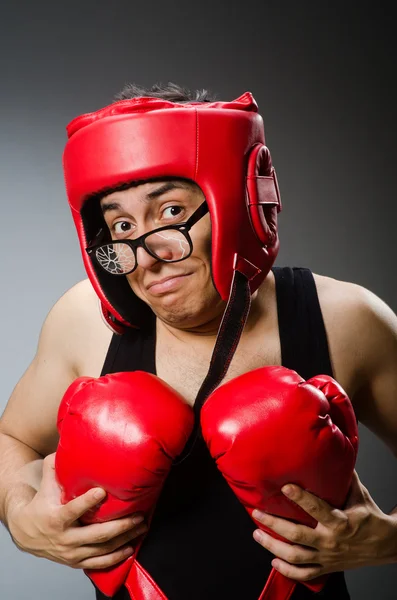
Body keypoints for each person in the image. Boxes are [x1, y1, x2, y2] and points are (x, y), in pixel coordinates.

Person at [0, 82, 396, 600]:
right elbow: (12, 440)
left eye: (169, 212)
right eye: (121, 225)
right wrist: (18, 512)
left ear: (239, 206)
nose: (148, 255)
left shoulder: (342, 318)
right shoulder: (84, 321)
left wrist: (388, 540)